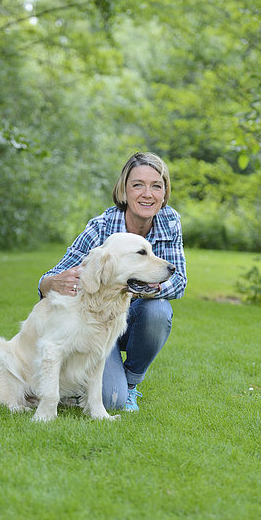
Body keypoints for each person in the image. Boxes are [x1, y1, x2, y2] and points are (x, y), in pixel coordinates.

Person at [38, 151, 187, 412]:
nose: (147, 194)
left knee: (158, 310)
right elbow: (56, 275)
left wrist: (139, 287)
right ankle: (80, 384)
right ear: (124, 191)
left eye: (156, 186)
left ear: (164, 193)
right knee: (110, 401)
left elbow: (179, 282)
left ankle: (130, 384)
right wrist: (48, 283)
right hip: (94, 325)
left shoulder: (169, 222)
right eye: (138, 185)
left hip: (133, 317)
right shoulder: (101, 227)